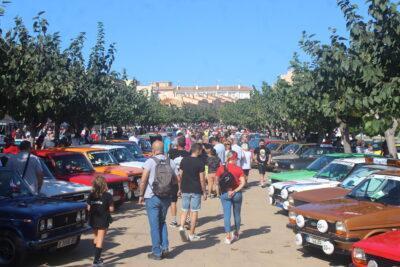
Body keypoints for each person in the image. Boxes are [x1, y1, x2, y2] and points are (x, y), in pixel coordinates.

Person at [138, 141, 177, 260]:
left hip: (152, 196)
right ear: (163, 149)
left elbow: (143, 180)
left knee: (154, 226)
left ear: (153, 150)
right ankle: (165, 248)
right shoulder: (171, 162)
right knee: (162, 222)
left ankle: (156, 252)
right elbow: (176, 180)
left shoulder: (150, 161)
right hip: (166, 197)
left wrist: (141, 195)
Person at [215, 151, 246, 244]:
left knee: (226, 215)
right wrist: (235, 191)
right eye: (236, 159)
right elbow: (243, 183)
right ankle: (236, 233)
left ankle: (228, 236)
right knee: (237, 214)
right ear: (234, 159)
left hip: (225, 194)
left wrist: (218, 193)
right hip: (237, 194)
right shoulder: (239, 169)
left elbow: (217, 182)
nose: (237, 161)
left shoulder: (221, 168)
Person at [178, 143, 207, 242]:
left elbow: (180, 175)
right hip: (196, 189)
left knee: (184, 209)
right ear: (198, 151)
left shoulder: (184, 160)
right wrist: (204, 191)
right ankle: (191, 234)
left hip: (185, 188)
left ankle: (181, 227)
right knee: (194, 212)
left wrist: (179, 188)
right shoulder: (200, 163)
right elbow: (202, 180)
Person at [87, 176, 114, 267]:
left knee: (96, 237)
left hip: (93, 219)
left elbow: (88, 207)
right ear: (104, 184)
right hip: (103, 220)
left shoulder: (91, 195)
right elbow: (111, 209)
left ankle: (97, 257)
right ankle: (96, 261)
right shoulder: (108, 195)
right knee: (100, 240)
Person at [168, 136, 189, 227]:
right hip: (185, 179)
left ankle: (174, 220)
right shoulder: (188, 154)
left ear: (177, 144)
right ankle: (187, 219)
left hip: (173, 178)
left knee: (173, 201)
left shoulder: (171, 152)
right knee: (186, 200)